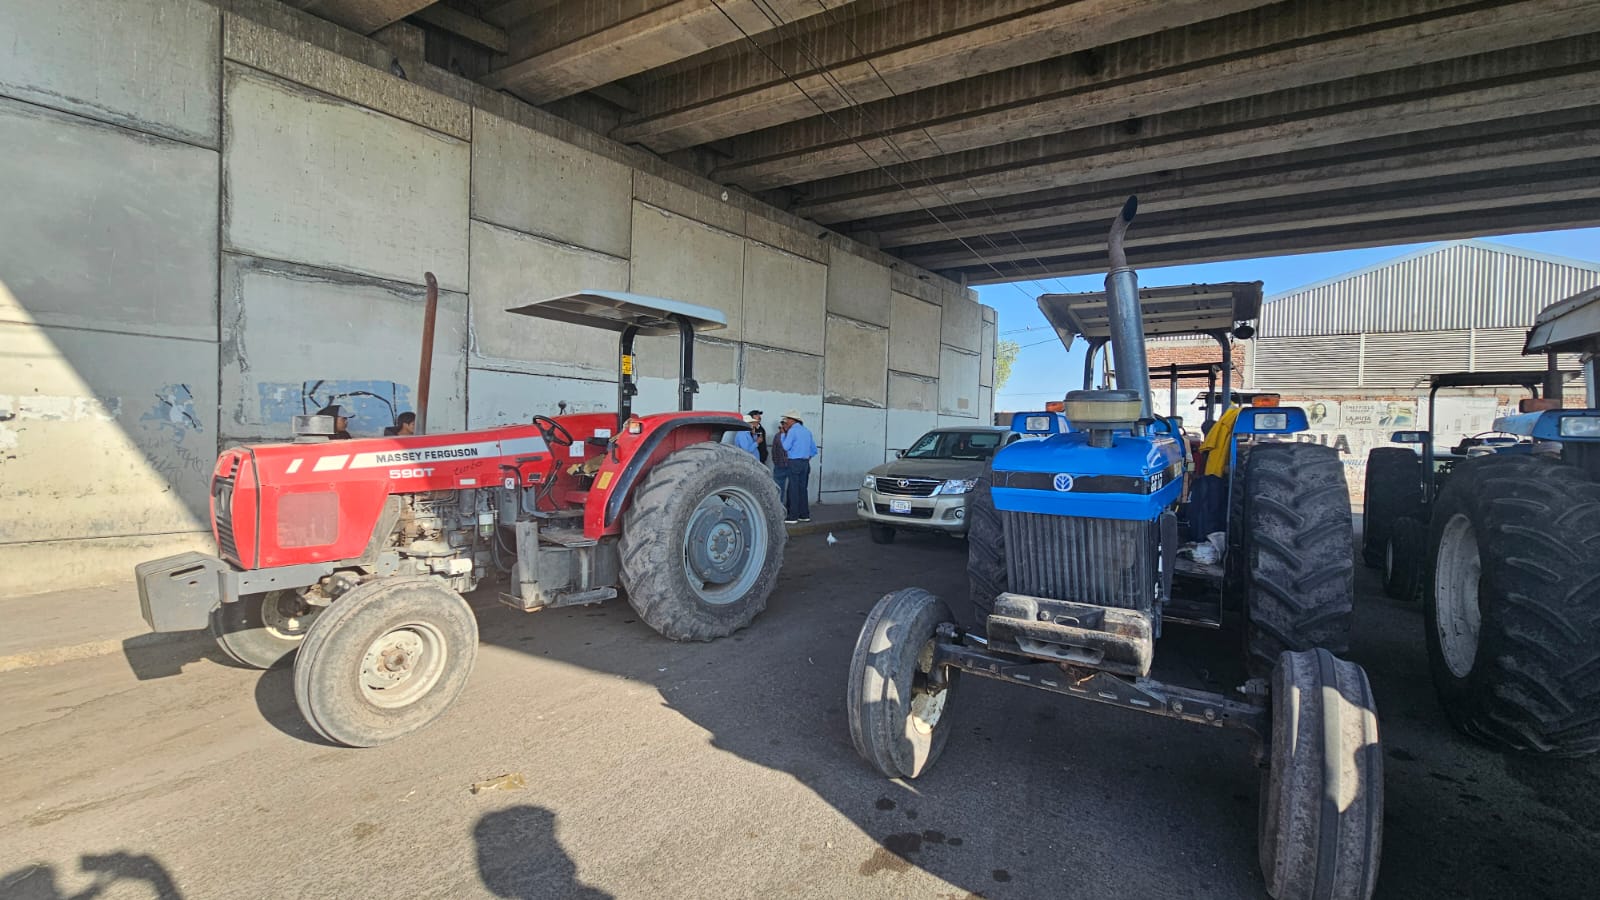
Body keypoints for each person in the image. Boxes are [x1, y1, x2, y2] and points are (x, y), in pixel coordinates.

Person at [778, 409, 816, 523]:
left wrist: (783, 435)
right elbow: (813, 450)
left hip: (794, 462)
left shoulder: (792, 431)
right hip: (805, 463)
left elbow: (785, 447)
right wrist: (806, 456)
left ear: (792, 420)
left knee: (793, 489)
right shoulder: (807, 431)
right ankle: (804, 515)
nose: (786, 421)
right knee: (803, 489)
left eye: (787, 419)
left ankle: (793, 516)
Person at [771, 415, 791, 515]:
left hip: (790, 465)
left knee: (791, 488)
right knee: (779, 488)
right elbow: (774, 450)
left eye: (786, 424)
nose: (784, 426)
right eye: (783, 424)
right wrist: (775, 461)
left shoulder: (792, 435)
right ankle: (779, 508)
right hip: (780, 465)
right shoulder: (777, 436)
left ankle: (790, 508)